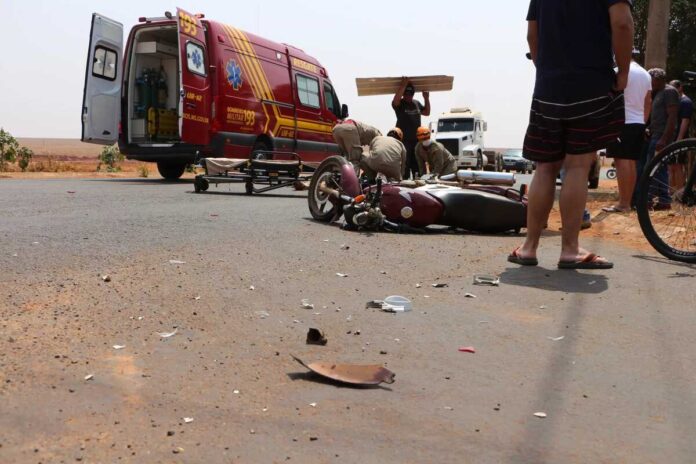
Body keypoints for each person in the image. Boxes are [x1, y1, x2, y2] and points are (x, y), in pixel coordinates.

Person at [509, 0, 634, 270]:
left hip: (548, 88)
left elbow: (532, 34)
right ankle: (569, 250)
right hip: (591, 84)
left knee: (545, 167)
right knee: (577, 165)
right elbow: (622, 23)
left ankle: (529, 247)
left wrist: (546, 71)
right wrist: (623, 71)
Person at [604, 53, 652, 213]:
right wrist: (643, 122)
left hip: (622, 121)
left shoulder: (619, 71)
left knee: (621, 162)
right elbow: (648, 101)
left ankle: (624, 203)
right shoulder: (645, 74)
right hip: (638, 122)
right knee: (631, 162)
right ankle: (627, 201)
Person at [642, 69, 680, 209]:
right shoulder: (659, 92)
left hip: (661, 136)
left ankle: (648, 200)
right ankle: (664, 200)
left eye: (650, 80)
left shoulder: (669, 92)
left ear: (658, 79)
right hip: (656, 133)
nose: (649, 83)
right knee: (660, 168)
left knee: (651, 167)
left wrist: (664, 138)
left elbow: (672, 117)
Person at [392, 79, 431, 179]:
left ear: (413, 94)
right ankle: (404, 184)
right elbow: (395, 101)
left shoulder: (416, 103)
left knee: (417, 165)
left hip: (417, 141)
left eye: (410, 94)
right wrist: (403, 85)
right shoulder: (400, 104)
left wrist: (426, 98)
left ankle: (417, 182)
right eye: (406, 94)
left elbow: (426, 112)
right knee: (404, 165)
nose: (408, 96)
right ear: (403, 94)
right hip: (403, 141)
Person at [667, 79, 693, 190]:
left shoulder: (685, 102)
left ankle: (679, 191)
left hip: (679, 138)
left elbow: (685, 121)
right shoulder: (676, 101)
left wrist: (679, 139)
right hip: (671, 137)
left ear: (680, 88)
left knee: (678, 166)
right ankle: (671, 191)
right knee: (670, 166)